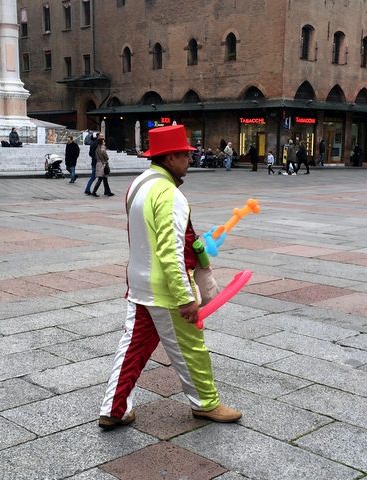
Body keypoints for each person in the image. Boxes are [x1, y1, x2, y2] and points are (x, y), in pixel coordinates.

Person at [98, 124, 242, 430]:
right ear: (170, 158)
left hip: (139, 283)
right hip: (166, 290)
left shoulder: (138, 184)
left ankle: (115, 408)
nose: (189, 160)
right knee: (192, 349)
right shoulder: (170, 195)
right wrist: (185, 298)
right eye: (185, 155)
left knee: (132, 347)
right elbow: (171, 251)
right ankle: (206, 403)